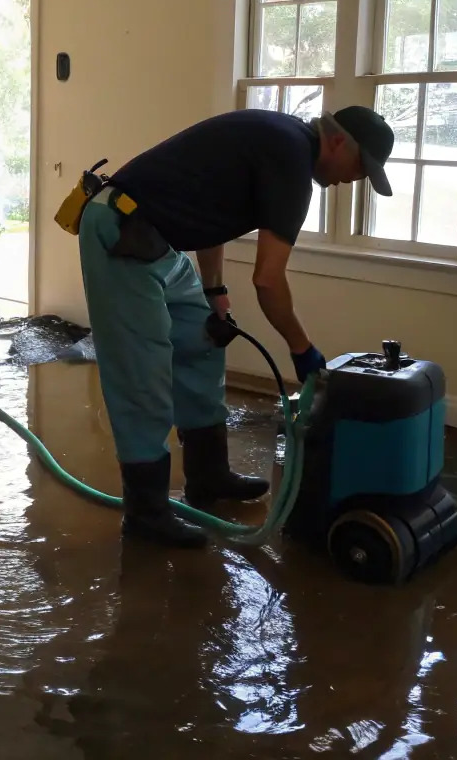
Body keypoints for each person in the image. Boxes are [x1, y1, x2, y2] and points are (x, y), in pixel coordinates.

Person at [78, 105, 395, 547]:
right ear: (339, 141)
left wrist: (213, 293)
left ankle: (208, 477)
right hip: (120, 230)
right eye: (361, 167)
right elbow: (268, 280)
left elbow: (210, 210)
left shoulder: (281, 140)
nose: (355, 178)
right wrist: (302, 349)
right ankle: (146, 514)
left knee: (206, 338)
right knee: (142, 372)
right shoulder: (291, 162)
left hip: (155, 238)